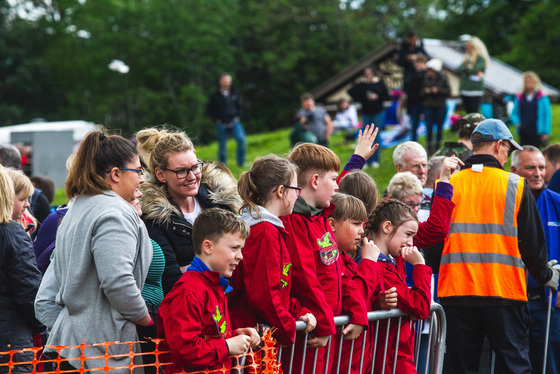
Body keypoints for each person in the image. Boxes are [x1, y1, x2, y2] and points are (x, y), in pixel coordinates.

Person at [437, 119, 560, 373]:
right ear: (498, 145)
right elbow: (532, 244)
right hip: (503, 292)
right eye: (507, 150)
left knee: (459, 367)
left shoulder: (450, 184)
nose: (507, 156)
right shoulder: (514, 185)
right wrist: (546, 275)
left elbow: (434, 239)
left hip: (457, 293)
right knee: (514, 365)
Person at [44, 130, 152, 372]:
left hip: (71, 345)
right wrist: (145, 319)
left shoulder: (80, 206)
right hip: (99, 352)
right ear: (115, 174)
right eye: (137, 171)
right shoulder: (114, 212)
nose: (142, 179)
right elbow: (117, 281)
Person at [280, 143, 368, 374]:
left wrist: (358, 313)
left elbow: (340, 272)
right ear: (315, 181)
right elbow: (304, 277)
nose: (337, 186)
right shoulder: (294, 221)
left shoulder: (320, 219)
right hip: (309, 331)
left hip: (325, 329)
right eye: (334, 179)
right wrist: (325, 324)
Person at [136, 127, 241, 294]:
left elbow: (241, 262)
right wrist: (218, 265)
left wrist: (192, 268)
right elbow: (171, 278)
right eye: (181, 171)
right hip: (191, 307)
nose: (192, 176)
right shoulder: (154, 218)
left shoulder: (221, 202)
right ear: (161, 175)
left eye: (195, 167)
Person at [157, 208, 260, 374]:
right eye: (234, 248)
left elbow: (211, 335)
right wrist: (227, 346)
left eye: (241, 249)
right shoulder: (188, 291)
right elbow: (185, 349)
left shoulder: (216, 287)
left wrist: (235, 335)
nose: (240, 256)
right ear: (208, 247)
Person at [229, 155, 317, 346]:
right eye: (296, 189)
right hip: (251, 337)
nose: (298, 195)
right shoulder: (264, 231)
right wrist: (287, 328)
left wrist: (297, 311)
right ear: (280, 191)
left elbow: (279, 287)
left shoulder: (269, 228)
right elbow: (263, 295)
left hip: (257, 332)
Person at [362, 199, 432, 374]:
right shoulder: (380, 267)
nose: (411, 243)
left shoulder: (392, 261)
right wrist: (420, 265)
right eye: (408, 234)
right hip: (390, 360)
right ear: (387, 227)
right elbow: (421, 307)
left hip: (393, 356)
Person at [511, 146, 560, 373]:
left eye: (541, 167)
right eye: (530, 168)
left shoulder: (556, 203)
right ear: (514, 170)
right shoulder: (504, 203)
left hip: (547, 303)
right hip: (509, 304)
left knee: (546, 366)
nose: (538, 173)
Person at [328, 193, 381, 374]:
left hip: (354, 360)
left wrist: (379, 302)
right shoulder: (332, 259)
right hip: (342, 360)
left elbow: (360, 299)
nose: (361, 231)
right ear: (332, 224)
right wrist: (369, 263)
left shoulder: (344, 258)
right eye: (356, 224)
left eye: (363, 225)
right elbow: (352, 293)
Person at [0, 166, 42, 374]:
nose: (27, 204)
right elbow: (28, 289)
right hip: (10, 339)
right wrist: (43, 325)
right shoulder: (11, 232)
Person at [348, 66, 390, 167]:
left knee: (375, 135)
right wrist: (362, 91)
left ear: (373, 73)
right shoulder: (362, 85)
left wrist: (377, 97)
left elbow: (387, 96)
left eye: (370, 73)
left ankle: (376, 160)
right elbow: (351, 92)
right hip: (366, 112)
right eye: (366, 73)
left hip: (377, 112)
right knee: (366, 136)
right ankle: (366, 160)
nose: (368, 75)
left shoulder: (379, 83)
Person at [206, 72, 247, 166]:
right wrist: (216, 119)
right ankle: (223, 165)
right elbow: (210, 109)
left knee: (241, 140)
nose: (226, 82)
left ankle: (241, 162)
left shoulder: (234, 94)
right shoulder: (215, 96)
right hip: (221, 123)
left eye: (228, 80)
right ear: (220, 81)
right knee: (222, 145)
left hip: (234, 122)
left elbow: (240, 106)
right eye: (224, 80)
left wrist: (238, 117)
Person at [510, 71, 552, 148]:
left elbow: (547, 115)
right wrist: (518, 123)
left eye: (531, 82)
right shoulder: (520, 97)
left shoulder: (542, 97)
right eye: (527, 82)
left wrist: (545, 132)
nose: (529, 84)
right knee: (523, 150)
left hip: (536, 130)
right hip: (524, 129)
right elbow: (514, 113)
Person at [421, 58, 450, 154]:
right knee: (428, 128)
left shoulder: (443, 79)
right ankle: (429, 149)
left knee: (439, 128)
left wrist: (437, 90)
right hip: (429, 106)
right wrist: (426, 91)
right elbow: (421, 92)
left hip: (440, 106)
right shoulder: (425, 79)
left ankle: (438, 147)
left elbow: (448, 92)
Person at [456, 36, 490, 114]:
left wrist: (468, 69)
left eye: (469, 47)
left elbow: (475, 70)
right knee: (468, 112)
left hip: (475, 90)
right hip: (465, 90)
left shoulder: (480, 59)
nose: (467, 49)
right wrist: (467, 67)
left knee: (474, 112)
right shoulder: (467, 58)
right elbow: (458, 70)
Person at [4, 168, 38, 234]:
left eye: (27, 198)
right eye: (22, 199)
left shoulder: (24, 222)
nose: (28, 204)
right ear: (7, 199)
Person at [405, 53, 428, 142]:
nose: (418, 66)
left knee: (428, 126)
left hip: (424, 103)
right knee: (414, 126)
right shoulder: (412, 75)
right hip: (414, 103)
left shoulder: (427, 75)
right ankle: (414, 143)